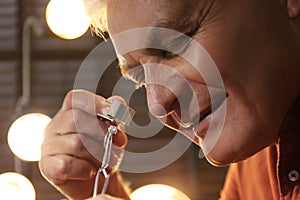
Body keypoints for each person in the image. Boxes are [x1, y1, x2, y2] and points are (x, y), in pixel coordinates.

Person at [39, 0, 300, 199]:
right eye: (140, 77)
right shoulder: (256, 171)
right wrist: (97, 187)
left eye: (172, 47)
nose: (157, 103)